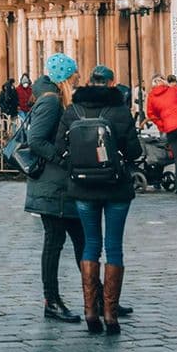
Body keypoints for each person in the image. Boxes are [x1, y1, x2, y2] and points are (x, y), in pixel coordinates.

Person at [57, 64, 142, 336]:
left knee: (90, 244)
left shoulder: (73, 111)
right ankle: (111, 314)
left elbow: (60, 149)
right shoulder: (119, 111)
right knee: (113, 246)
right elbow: (134, 150)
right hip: (116, 188)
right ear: (110, 84)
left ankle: (90, 312)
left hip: (83, 188)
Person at [25, 53, 83, 323]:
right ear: (65, 78)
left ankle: (99, 297)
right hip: (52, 186)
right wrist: (61, 158)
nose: (79, 78)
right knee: (55, 243)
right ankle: (52, 300)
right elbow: (35, 139)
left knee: (82, 241)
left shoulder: (54, 98)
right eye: (75, 75)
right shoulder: (51, 101)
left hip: (60, 186)